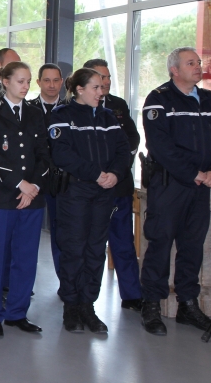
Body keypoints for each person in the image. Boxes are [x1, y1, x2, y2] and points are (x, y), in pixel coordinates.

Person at [140, 47, 211, 336]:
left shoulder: (210, 100)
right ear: (174, 70)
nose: (198, 67)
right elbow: (160, 146)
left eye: (198, 62)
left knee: (192, 245)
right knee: (160, 244)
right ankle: (151, 304)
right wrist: (193, 173)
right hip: (170, 185)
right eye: (191, 63)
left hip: (200, 187)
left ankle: (187, 303)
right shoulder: (159, 99)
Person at [48, 68, 131, 334]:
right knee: (74, 249)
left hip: (104, 193)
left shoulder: (108, 117)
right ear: (79, 90)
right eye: (95, 87)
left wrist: (115, 175)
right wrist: (96, 174)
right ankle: (71, 306)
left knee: (96, 250)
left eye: (102, 86)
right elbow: (63, 155)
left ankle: (88, 304)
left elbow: (122, 150)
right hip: (75, 193)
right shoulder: (61, 116)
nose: (101, 91)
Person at [0, 62, 50, 338]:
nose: (25, 86)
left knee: (26, 257)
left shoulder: (34, 113)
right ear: (5, 81)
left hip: (31, 198)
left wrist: (33, 186)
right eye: (20, 80)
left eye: (28, 81)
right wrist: (19, 183)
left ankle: (17, 312)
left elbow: (44, 154)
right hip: (2, 196)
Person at [83, 58, 142, 311]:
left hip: (117, 185)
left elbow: (131, 138)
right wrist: (98, 171)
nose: (105, 82)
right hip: (89, 187)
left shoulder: (118, 105)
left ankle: (131, 294)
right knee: (88, 245)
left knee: (123, 241)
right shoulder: (71, 108)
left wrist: (115, 170)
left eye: (107, 78)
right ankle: (82, 298)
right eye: (100, 78)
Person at [26, 63, 64, 278]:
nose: (51, 85)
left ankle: (64, 280)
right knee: (28, 234)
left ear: (62, 82)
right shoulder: (29, 110)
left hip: (61, 180)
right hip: (34, 179)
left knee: (62, 233)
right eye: (46, 80)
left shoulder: (70, 110)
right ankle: (20, 281)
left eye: (56, 80)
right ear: (39, 82)